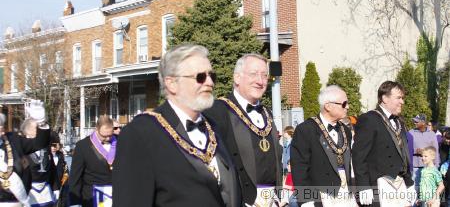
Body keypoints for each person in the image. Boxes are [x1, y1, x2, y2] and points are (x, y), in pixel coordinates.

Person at [112, 44, 241, 207]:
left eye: (211, 76)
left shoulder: (214, 127)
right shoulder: (141, 133)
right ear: (172, 83)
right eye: (200, 77)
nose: (209, 82)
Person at [204, 53, 282, 206]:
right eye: (253, 74)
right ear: (237, 78)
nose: (260, 81)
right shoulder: (217, 110)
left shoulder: (267, 113)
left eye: (264, 75)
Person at [291, 85, 357, 206]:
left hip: (346, 195)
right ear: (328, 106)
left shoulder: (346, 130)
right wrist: (306, 200)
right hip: (321, 196)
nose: (347, 107)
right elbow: (300, 168)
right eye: (344, 103)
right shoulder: (306, 129)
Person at [352, 81, 416, 206]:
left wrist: (409, 183)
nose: (402, 102)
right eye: (398, 98)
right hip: (378, 185)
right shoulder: (369, 119)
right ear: (385, 98)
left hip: (400, 183)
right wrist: (363, 186)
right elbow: (359, 156)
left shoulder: (399, 122)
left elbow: (404, 156)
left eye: (402, 98)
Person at [0, 99, 50, 207]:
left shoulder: (13, 140)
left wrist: (40, 121)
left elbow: (39, 144)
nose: (1, 128)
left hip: (18, 202)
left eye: (1, 124)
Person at [68, 115, 117, 207]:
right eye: (104, 136)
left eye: (110, 135)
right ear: (96, 129)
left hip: (116, 197)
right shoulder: (82, 146)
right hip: (92, 198)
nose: (108, 139)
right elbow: (75, 176)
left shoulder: (120, 142)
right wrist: (75, 202)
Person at [22, 119, 57, 207]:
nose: (40, 130)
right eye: (37, 128)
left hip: (46, 194)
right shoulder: (20, 148)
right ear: (28, 130)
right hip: (29, 194)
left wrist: (56, 188)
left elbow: (52, 169)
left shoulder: (45, 147)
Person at [409, 114, 440, 191]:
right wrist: (415, 150)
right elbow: (406, 148)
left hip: (428, 166)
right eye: (414, 121)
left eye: (416, 121)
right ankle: (415, 203)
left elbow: (435, 150)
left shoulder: (431, 134)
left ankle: (424, 203)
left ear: (423, 122)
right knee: (415, 188)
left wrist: (436, 166)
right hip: (415, 166)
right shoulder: (410, 133)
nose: (414, 123)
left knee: (426, 189)